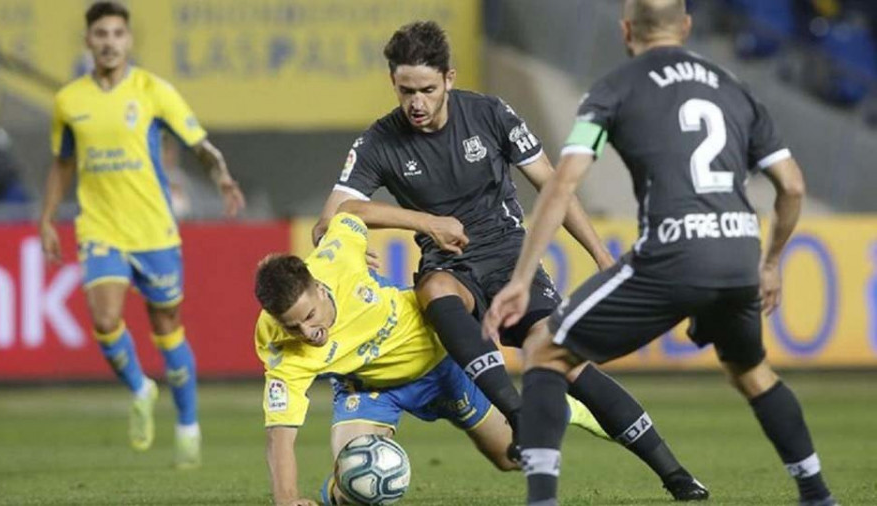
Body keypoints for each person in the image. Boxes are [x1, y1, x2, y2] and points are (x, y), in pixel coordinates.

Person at [315, 20, 708, 500]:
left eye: (427, 89)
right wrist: (411, 225)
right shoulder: (380, 141)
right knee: (433, 291)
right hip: (450, 264)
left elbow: (554, 187)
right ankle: (518, 413)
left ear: (450, 79)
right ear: (393, 84)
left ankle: (675, 475)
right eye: (405, 91)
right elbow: (329, 220)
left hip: (508, 260)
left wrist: (603, 256)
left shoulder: (490, 114)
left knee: (565, 360)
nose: (416, 102)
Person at [483, 1, 837, 505]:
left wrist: (520, 279)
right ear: (687, 27)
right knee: (752, 372)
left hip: (673, 253)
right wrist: (772, 263)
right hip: (739, 252)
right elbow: (793, 187)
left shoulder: (613, 88)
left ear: (627, 31)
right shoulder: (734, 87)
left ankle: (541, 500)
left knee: (545, 352)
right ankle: (817, 494)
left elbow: (563, 183)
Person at [254, 212, 606, 506]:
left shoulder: (338, 257)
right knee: (356, 475)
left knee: (510, 457)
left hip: (439, 363)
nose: (308, 332)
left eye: (310, 315)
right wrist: (286, 499)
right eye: (293, 325)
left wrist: (428, 223)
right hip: (367, 388)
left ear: (317, 286)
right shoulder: (278, 344)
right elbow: (280, 434)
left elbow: (351, 209)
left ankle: (557, 407)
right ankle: (335, 496)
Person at [38, 1, 246, 469]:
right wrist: (47, 217)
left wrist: (223, 176)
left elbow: (199, 144)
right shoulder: (69, 100)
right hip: (100, 226)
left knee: (166, 326)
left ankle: (188, 424)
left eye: (117, 34)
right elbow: (62, 163)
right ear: (88, 41)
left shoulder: (154, 91)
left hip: (154, 231)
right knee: (105, 316)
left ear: (128, 40)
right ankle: (140, 387)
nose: (109, 42)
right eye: (101, 34)